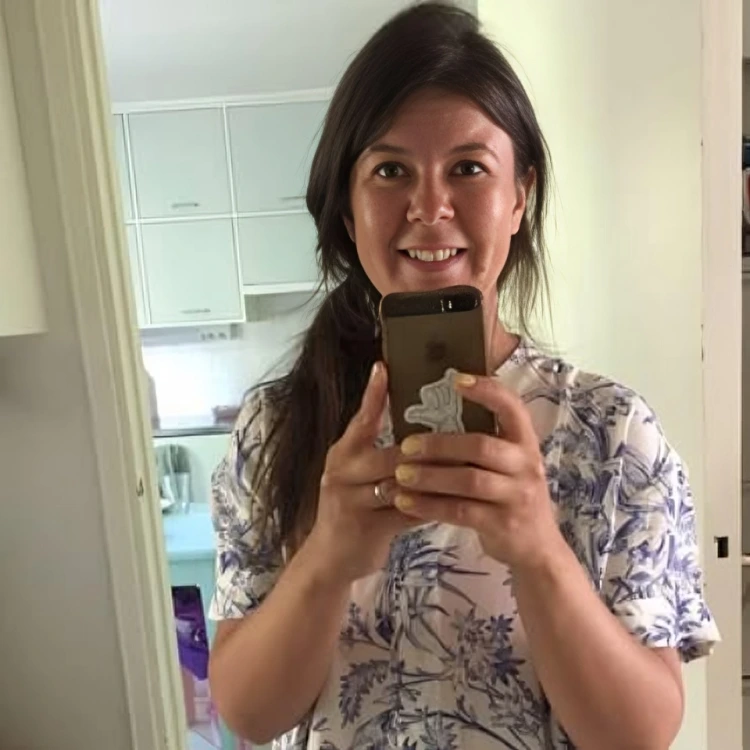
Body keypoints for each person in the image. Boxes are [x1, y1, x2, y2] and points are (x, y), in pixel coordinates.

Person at [207, 4, 720, 749]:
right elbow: (250, 715)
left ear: (519, 198)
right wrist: (326, 560)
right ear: (348, 209)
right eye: (390, 170)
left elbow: (637, 737)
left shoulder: (613, 433)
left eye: (468, 168)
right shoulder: (276, 427)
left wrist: (539, 551)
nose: (429, 207)